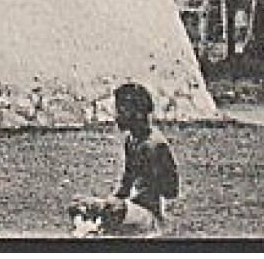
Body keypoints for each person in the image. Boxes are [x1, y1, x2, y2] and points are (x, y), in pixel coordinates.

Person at [68, 82, 180, 236]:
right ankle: (97, 227)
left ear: (136, 113)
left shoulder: (155, 145)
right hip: (129, 207)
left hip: (150, 215)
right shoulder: (131, 141)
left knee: (113, 209)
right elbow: (126, 184)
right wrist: (107, 202)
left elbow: (171, 192)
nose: (116, 117)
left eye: (121, 111)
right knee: (78, 203)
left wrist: (122, 203)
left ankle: (97, 228)